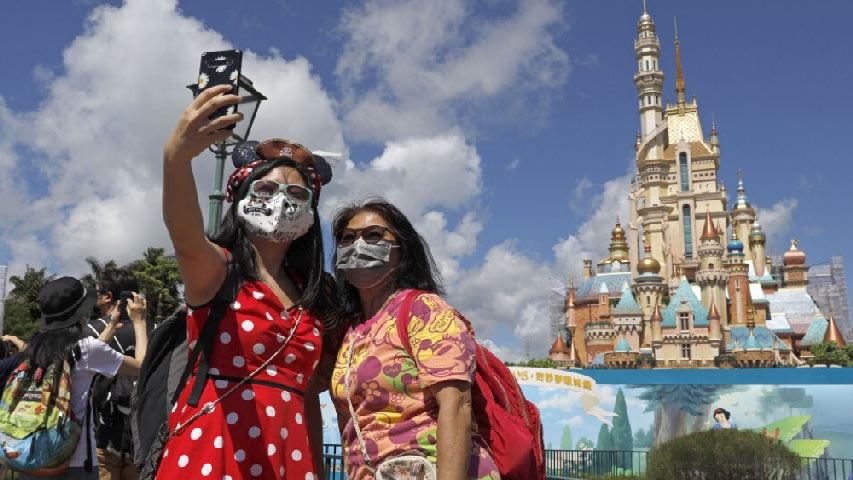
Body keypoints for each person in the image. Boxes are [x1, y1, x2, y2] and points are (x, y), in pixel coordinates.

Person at [156, 84, 337, 480]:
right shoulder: (218, 270)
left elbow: (308, 401)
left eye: (296, 193)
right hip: (212, 451)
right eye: (267, 188)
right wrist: (176, 159)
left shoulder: (313, 295)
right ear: (240, 197)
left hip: (291, 457)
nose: (282, 201)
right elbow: (184, 235)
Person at [326, 198, 500, 480]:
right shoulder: (349, 331)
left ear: (402, 250)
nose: (358, 245)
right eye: (348, 238)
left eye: (373, 236)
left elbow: (455, 404)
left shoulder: (423, 310)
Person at [20, 276, 148, 480]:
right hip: (74, 462)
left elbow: (86, 356)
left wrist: (111, 328)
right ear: (80, 313)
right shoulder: (87, 349)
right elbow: (141, 366)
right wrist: (140, 322)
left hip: (32, 457)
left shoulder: (35, 349)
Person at [86, 269, 143, 480]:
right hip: (142, 440)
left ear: (107, 296)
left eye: (97, 291)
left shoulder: (91, 332)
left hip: (102, 436)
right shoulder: (155, 329)